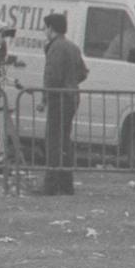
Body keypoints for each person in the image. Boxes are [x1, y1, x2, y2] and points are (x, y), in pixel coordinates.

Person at [38, 12, 88, 196]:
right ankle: (66, 184)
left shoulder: (55, 48)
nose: (44, 31)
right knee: (64, 141)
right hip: (72, 97)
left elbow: (52, 77)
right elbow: (83, 72)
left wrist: (44, 99)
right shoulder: (72, 47)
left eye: (45, 27)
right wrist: (71, 82)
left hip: (59, 98)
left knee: (53, 141)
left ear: (51, 28)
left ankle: (51, 185)